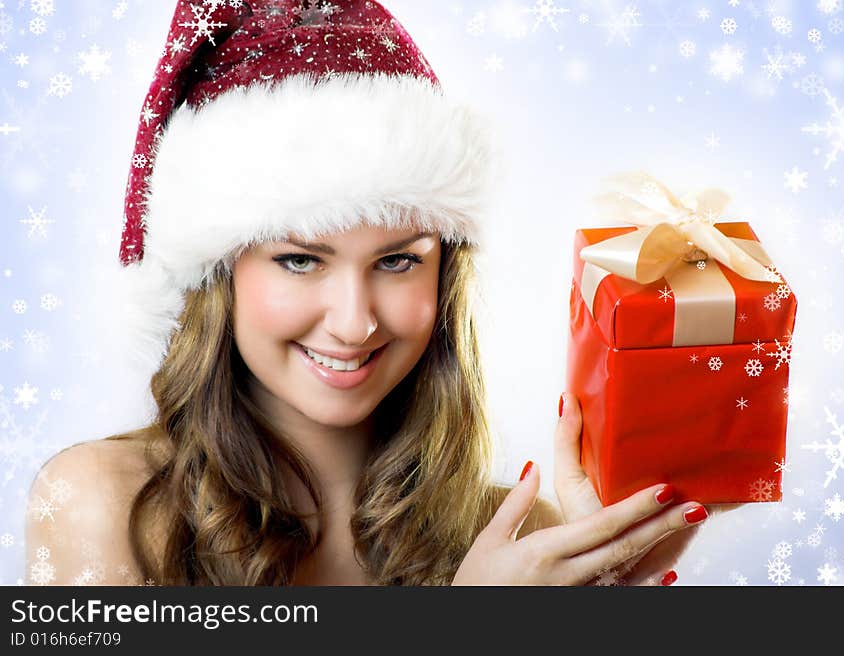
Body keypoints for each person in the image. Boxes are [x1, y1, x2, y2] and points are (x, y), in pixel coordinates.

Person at [26, 0, 716, 586]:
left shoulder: (517, 542)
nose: (354, 324)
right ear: (220, 275)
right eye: (300, 260)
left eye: (396, 262)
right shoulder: (101, 502)